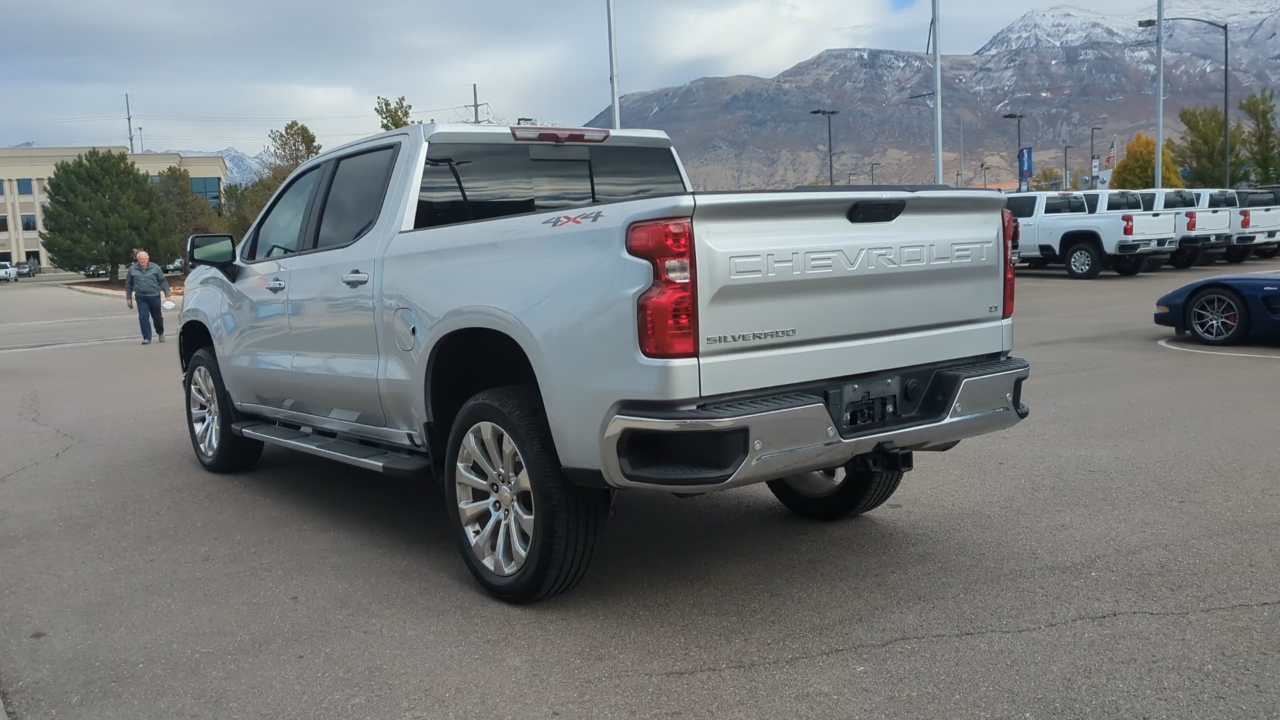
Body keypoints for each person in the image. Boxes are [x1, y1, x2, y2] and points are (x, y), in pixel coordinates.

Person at [125, 251, 173, 345]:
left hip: (154, 296)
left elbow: (163, 281)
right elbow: (128, 284)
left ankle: (160, 332)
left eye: (144, 259)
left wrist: (167, 294)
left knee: (157, 317)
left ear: (147, 259)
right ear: (138, 260)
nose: (142, 261)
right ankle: (147, 337)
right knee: (143, 317)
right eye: (140, 259)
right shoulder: (132, 269)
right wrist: (128, 298)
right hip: (141, 297)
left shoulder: (155, 267)